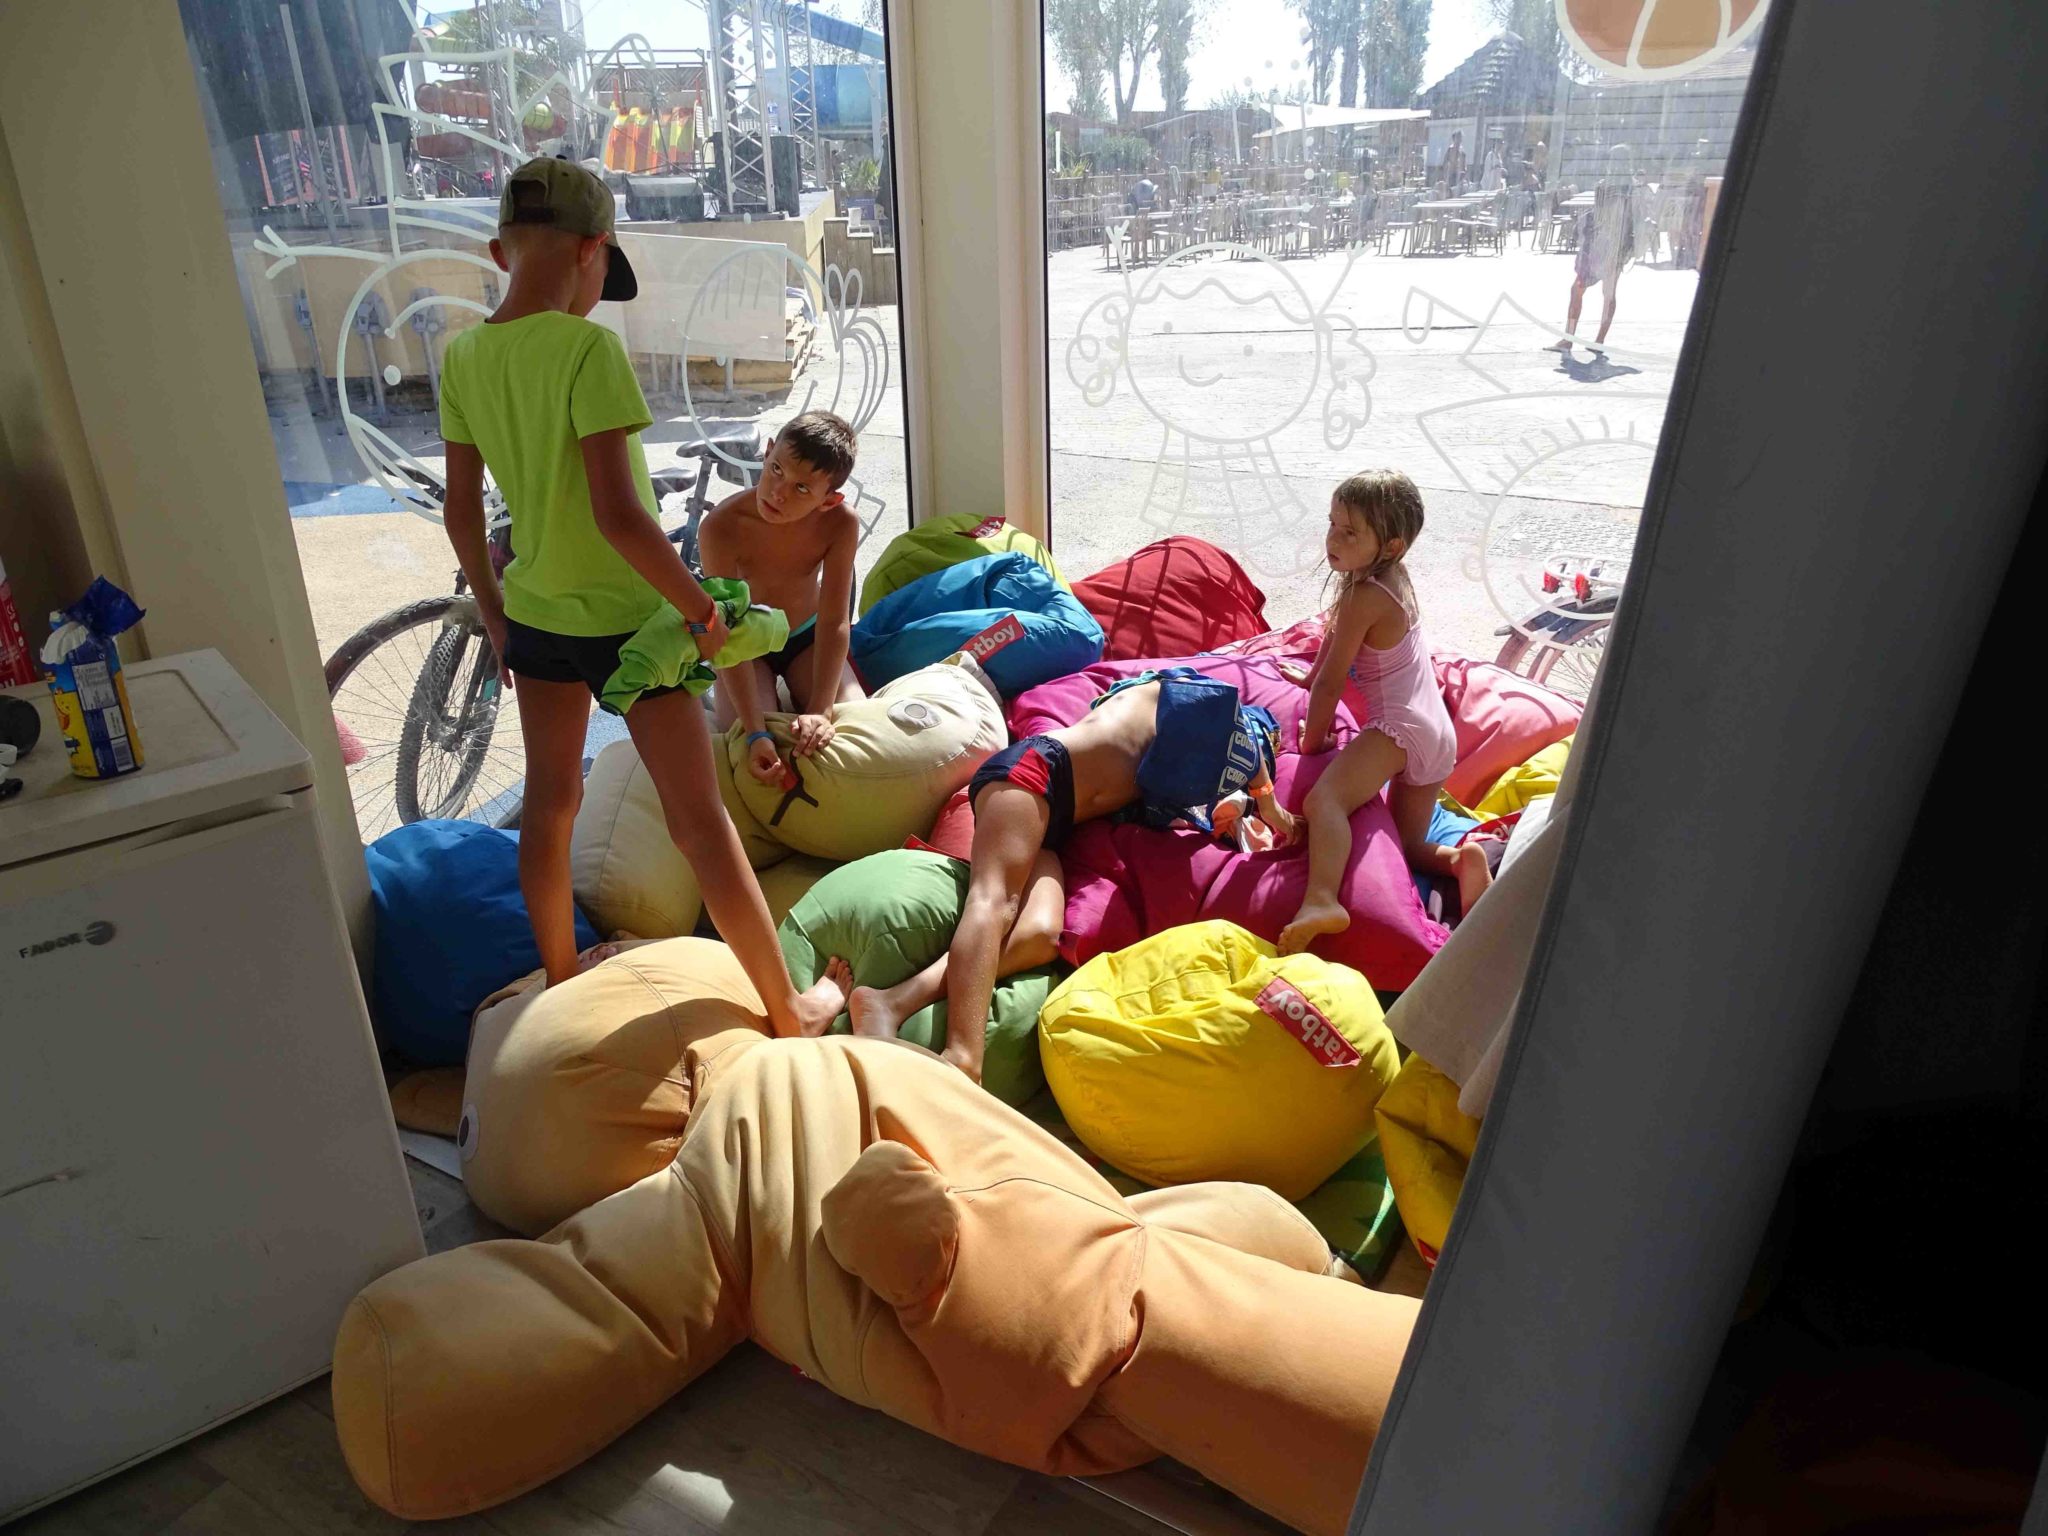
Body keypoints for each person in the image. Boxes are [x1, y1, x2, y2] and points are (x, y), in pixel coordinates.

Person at [438, 156, 849, 1033]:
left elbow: (462, 510)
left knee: (550, 806)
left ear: (501, 252)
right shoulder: (588, 348)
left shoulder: (464, 355)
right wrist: (701, 610)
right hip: (632, 627)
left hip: (535, 615)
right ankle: (789, 1008)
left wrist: (497, 615)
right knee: (699, 821)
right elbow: (621, 515)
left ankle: (561, 979)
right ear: (593, 249)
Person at [931, 677, 1291, 1082]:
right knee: (995, 902)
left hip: (1054, 819)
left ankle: (893, 1001)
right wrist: (1268, 800)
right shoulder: (1190, 702)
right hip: (1037, 769)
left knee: (1040, 935)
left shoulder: (1170, 760)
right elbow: (1232, 723)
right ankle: (963, 1056)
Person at [1279, 470, 1487, 956]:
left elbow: (1333, 682)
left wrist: (1313, 744)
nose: (1333, 539)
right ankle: (1462, 861)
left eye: (1350, 532)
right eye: (1332, 524)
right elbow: (1336, 637)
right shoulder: (1390, 578)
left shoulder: (1362, 595)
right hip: (1437, 729)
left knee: (1324, 802)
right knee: (1408, 846)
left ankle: (1322, 899)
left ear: (1390, 545)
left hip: (1399, 728)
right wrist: (1309, 677)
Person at [699, 411, 865, 787]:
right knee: (745, 743)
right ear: (768, 451)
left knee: (854, 725)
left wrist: (821, 710)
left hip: (807, 637)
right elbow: (730, 630)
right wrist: (755, 731)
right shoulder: (722, 526)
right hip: (747, 646)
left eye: (802, 488)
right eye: (776, 470)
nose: (778, 492)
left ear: (829, 500)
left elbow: (834, 620)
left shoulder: (840, 522)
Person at [1555, 144, 1638, 357]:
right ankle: (1598, 340)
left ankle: (1569, 338)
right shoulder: (1632, 189)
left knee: (1578, 289)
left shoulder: (1605, 186)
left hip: (1601, 246)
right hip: (1618, 247)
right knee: (1608, 293)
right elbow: (1631, 219)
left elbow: (1601, 217)